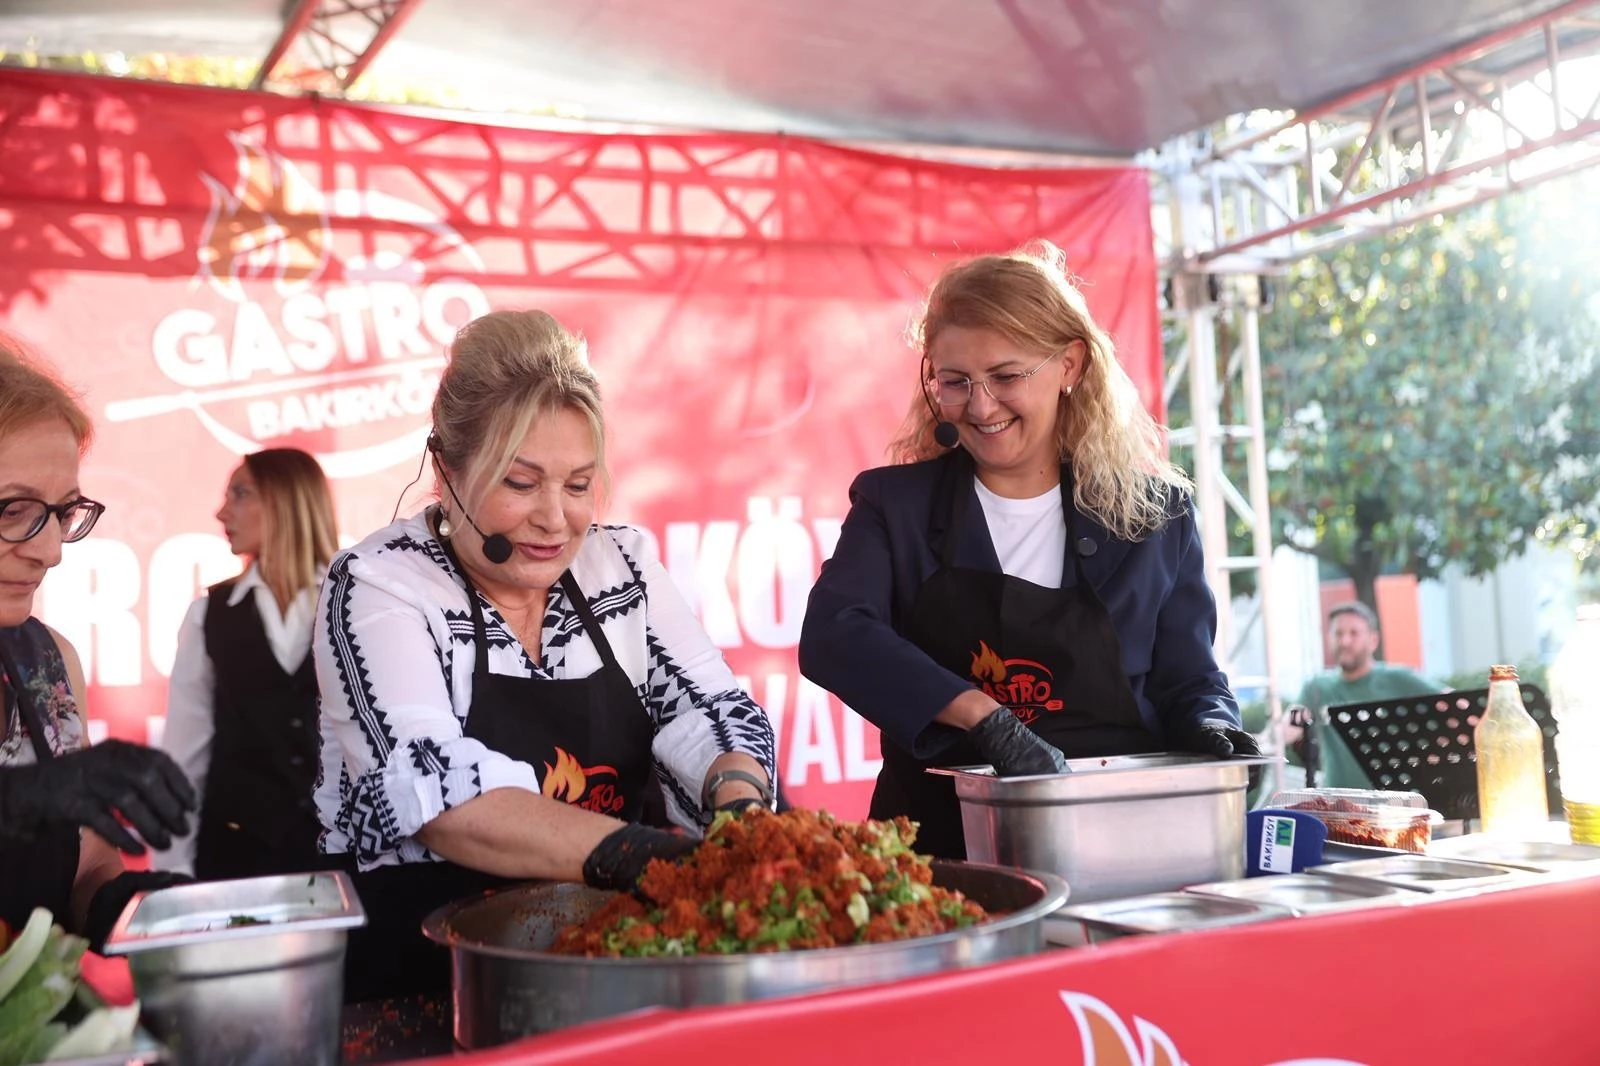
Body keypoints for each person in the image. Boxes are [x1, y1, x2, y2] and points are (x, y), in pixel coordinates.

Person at [314, 309, 777, 1002]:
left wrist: (736, 801)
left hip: (610, 962)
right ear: (446, 470)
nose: (555, 519)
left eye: (579, 484)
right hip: (428, 979)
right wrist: (646, 857)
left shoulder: (620, 565)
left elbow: (710, 708)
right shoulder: (381, 584)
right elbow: (437, 790)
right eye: (521, 484)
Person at [799, 243, 1256, 860]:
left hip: (1124, 838)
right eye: (955, 383)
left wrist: (1213, 726)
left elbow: (1188, 677)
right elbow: (834, 633)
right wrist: (982, 718)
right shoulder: (894, 507)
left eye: (1007, 376)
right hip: (944, 847)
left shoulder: (1156, 515)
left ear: (1068, 365)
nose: (981, 407)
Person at [0, 340, 194, 948]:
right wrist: (24, 798)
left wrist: (125, 906)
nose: (51, 550)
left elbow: (87, 867)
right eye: (14, 510)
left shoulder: (48, 663)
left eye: (61, 513)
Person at [154, 449, 339, 880]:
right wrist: (172, 871)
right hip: (234, 863)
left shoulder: (355, 603)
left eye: (240, 493)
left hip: (340, 865)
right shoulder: (208, 614)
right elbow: (187, 754)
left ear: (287, 501)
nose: (222, 511)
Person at [1292, 601, 1444, 788]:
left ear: (1373, 640)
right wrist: (1256, 743)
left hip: (1395, 807)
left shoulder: (1399, 678)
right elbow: (1288, 726)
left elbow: (1453, 705)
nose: (1345, 641)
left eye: (1354, 633)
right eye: (1338, 633)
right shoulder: (1316, 687)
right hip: (1337, 806)